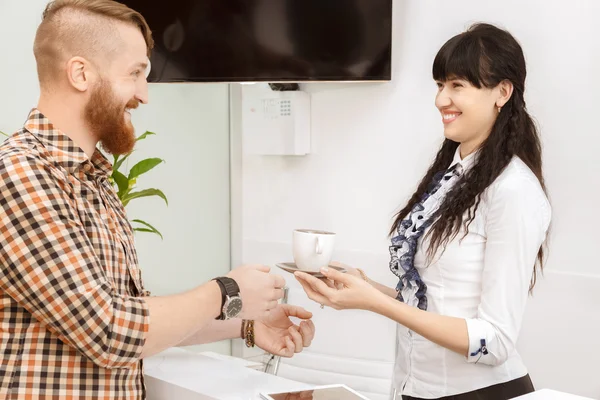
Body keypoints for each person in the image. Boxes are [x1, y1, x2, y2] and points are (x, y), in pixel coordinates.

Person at [0, 0, 314, 398]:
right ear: (81, 73)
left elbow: (134, 317)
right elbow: (108, 330)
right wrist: (226, 290)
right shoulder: (20, 175)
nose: (144, 95)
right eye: (135, 74)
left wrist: (246, 325)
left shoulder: (93, 179)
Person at [295, 23, 551, 400]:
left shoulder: (513, 191)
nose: (441, 100)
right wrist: (367, 290)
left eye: (457, 85)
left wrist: (377, 303)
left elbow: (494, 342)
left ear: (503, 92)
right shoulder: (453, 177)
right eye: (439, 85)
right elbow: (434, 299)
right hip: (416, 388)